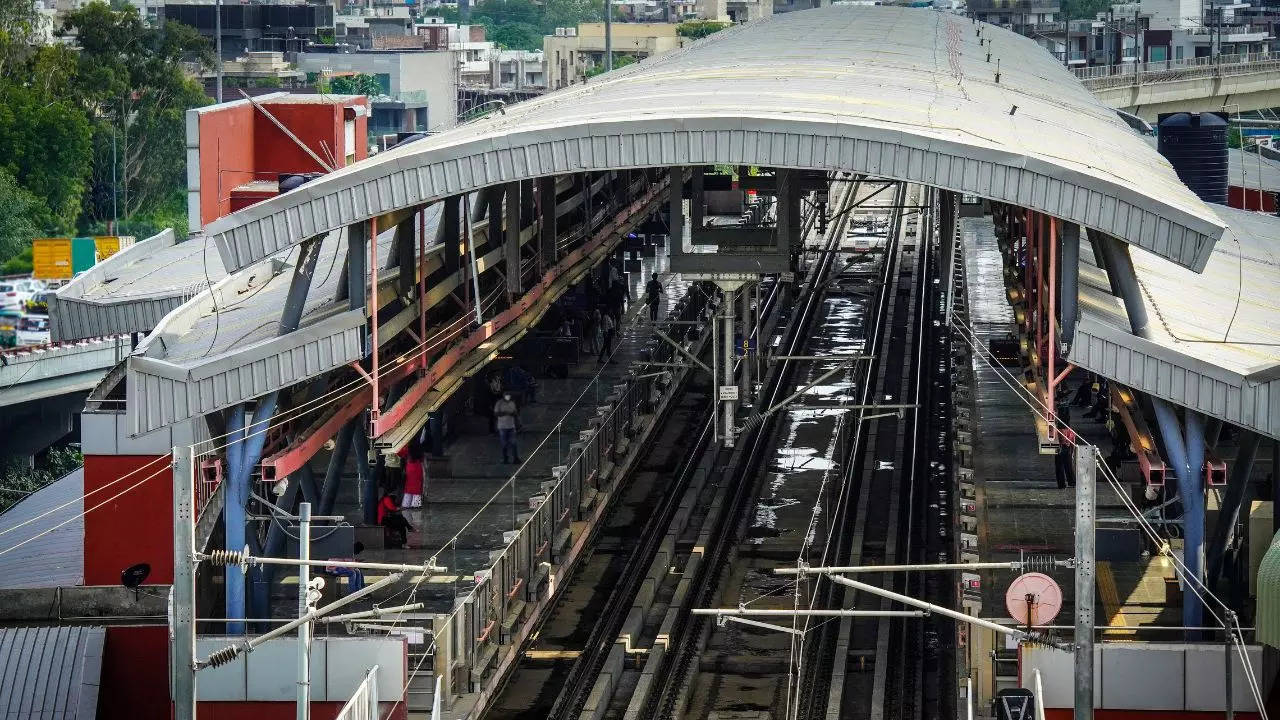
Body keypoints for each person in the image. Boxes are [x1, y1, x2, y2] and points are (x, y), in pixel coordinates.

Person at [494, 391, 521, 463]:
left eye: (509, 395)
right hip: (502, 427)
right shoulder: (499, 403)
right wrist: (505, 413)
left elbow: (515, 413)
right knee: (504, 444)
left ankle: (515, 458)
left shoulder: (512, 403)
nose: (508, 397)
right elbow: (496, 413)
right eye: (506, 395)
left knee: (514, 443)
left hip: (511, 426)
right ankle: (505, 459)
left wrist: (516, 418)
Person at [399, 437, 426, 508]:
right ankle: (416, 504)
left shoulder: (407, 448)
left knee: (408, 486)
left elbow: (400, 453)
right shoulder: (420, 448)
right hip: (418, 467)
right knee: (417, 486)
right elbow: (422, 459)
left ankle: (406, 504)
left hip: (409, 467)